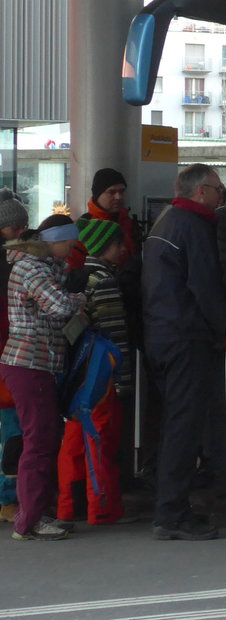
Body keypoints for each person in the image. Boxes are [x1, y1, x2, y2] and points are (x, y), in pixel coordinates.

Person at [140, 164, 226, 541]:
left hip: (159, 335)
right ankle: (172, 514)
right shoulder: (194, 225)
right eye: (218, 188)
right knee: (184, 427)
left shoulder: (166, 221)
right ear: (201, 191)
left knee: (170, 423)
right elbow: (205, 287)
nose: (223, 195)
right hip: (185, 338)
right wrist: (224, 333)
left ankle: (167, 503)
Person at [1, 214, 87, 541]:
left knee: (45, 440)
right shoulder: (32, 268)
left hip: (37, 364)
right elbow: (60, 307)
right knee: (38, 443)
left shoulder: (40, 266)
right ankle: (29, 522)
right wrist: (78, 300)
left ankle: (39, 513)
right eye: (68, 243)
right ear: (52, 242)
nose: (72, 249)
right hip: (29, 364)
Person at [56, 217, 132, 525]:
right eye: (118, 244)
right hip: (100, 376)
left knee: (73, 444)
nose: (123, 249)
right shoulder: (104, 281)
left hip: (75, 377)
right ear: (106, 247)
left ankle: (65, 508)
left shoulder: (75, 276)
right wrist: (123, 383)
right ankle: (102, 509)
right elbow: (116, 336)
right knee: (101, 441)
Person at [0, 189, 29, 524]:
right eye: (14, 228)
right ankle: (9, 499)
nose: (20, 233)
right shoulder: (11, 267)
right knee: (14, 431)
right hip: (10, 357)